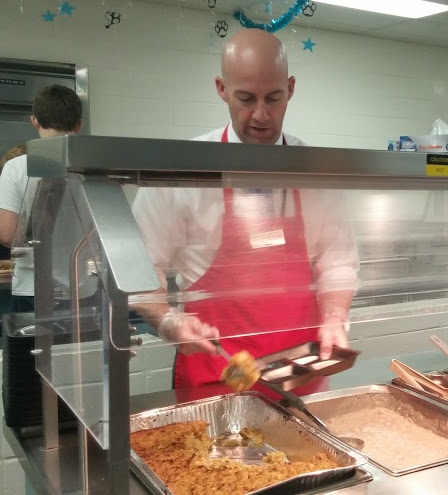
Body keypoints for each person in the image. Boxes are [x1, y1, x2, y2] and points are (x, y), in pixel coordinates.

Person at [131, 29, 359, 396]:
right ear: (221, 88)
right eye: (245, 98)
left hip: (300, 380)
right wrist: (168, 321)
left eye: (274, 98)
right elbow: (139, 271)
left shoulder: (314, 170)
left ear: (291, 88)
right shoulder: (182, 170)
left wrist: (335, 316)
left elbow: (337, 259)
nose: (261, 114)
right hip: (217, 380)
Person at [0, 85, 82, 312]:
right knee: (84, 349)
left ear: (35, 121)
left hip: (33, 288)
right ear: (78, 125)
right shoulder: (95, 167)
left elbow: (7, 234)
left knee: (34, 348)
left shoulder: (15, 168)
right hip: (84, 287)